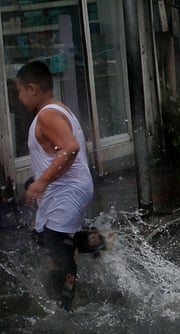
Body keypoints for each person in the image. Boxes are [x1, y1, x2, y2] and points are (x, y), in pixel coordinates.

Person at [16, 61, 100, 311]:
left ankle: (65, 313)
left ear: (32, 88)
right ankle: (95, 240)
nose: (19, 98)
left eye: (19, 91)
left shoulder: (47, 114)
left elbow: (70, 148)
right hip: (65, 189)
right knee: (45, 238)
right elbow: (61, 152)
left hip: (67, 191)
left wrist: (42, 181)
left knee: (58, 252)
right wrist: (41, 179)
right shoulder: (57, 110)